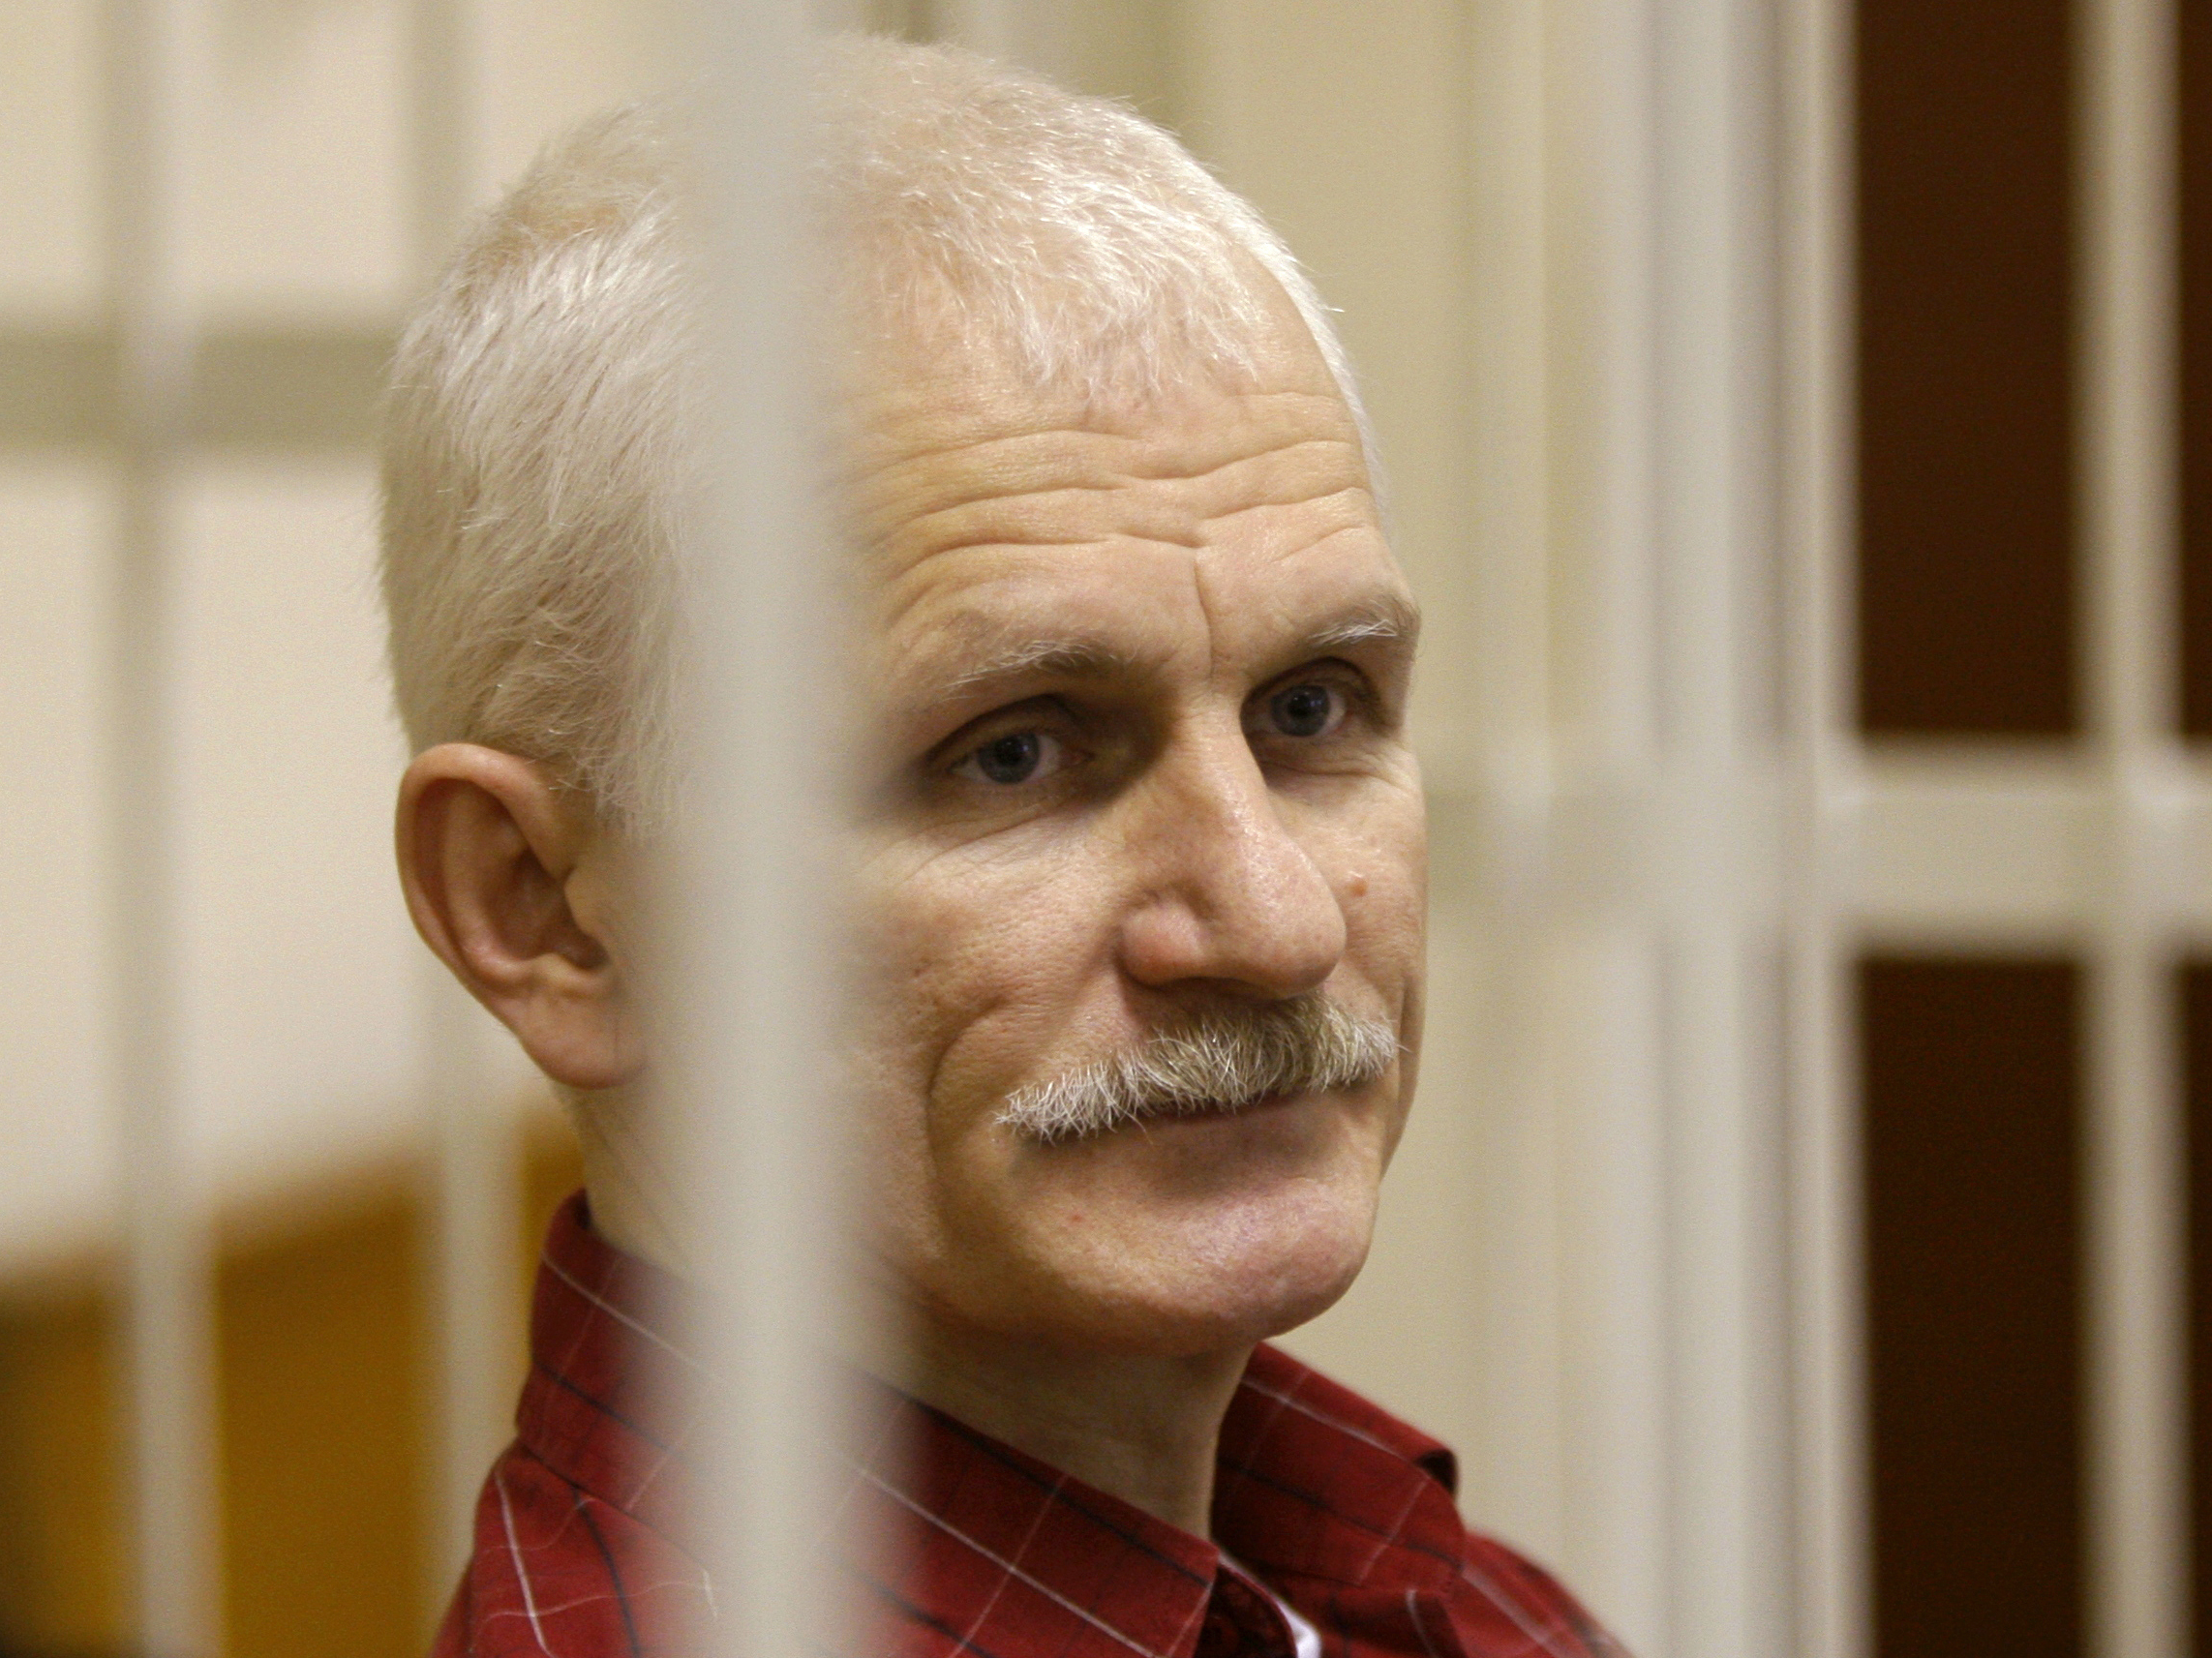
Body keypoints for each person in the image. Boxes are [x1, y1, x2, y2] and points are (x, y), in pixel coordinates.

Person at [382, 36, 1619, 1658]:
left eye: (1310, 709)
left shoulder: (1405, 1581)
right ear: (544, 909)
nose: (1272, 919)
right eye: (1015, 752)